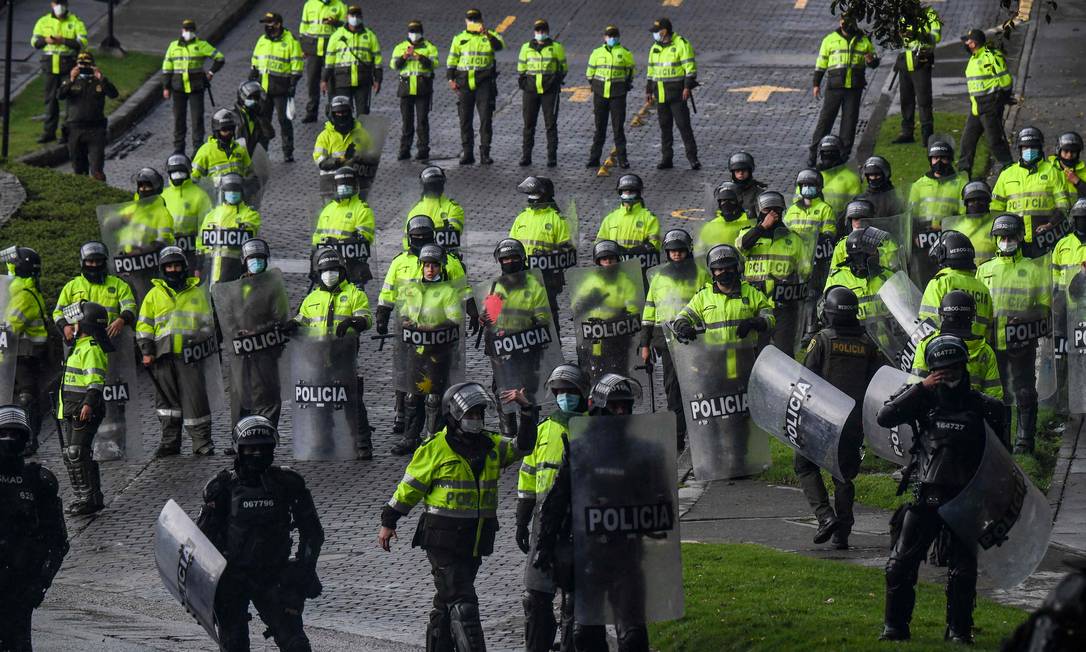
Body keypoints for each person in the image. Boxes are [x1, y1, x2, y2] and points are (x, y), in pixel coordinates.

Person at [379, 382, 537, 652]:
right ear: (453, 415)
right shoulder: (435, 449)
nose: (475, 420)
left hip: (475, 540)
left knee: (446, 601)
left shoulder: (491, 446)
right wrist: (389, 520)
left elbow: (523, 446)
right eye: (469, 415)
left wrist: (526, 410)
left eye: (478, 414)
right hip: (442, 540)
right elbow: (409, 488)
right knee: (464, 603)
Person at [877, 334, 1005, 643]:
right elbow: (885, 416)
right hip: (926, 496)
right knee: (899, 564)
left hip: (966, 499)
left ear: (964, 367)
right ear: (932, 370)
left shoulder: (983, 406)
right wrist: (922, 387)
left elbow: (1002, 457)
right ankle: (895, 627)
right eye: (942, 371)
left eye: (954, 369)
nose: (949, 377)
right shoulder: (922, 398)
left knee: (962, 571)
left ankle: (959, 630)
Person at [532, 374, 656, 652]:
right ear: (600, 408)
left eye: (625, 406)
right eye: (615, 407)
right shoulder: (580, 448)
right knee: (583, 635)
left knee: (633, 635)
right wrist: (545, 545)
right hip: (587, 556)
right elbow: (556, 500)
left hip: (626, 555)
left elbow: (659, 501)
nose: (621, 412)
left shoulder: (641, 450)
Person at [197, 415, 325, 652]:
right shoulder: (222, 488)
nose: (257, 454)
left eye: (263, 448)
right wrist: (207, 590)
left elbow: (313, 532)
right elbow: (201, 540)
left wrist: (303, 570)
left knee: (295, 644)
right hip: (233, 578)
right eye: (251, 449)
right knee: (234, 644)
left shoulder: (288, 483)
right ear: (239, 450)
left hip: (275, 576)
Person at [797, 286, 882, 549]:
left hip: (821, 417)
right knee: (843, 476)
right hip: (853, 421)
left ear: (829, 313)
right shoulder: (868, 343)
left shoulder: (822, 340)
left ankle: (825, 517)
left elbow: (806, 377)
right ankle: (842, 532)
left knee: (804, 466)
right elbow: (878, 379)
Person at [378, 216, 475, 444]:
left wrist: (472, 311)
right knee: (407, 383)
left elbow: (463, 291)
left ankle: (436, 434)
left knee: (436, 391)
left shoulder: (449, 262)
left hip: (441, 343)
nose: (430, 268)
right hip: (409, 335)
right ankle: (405, 426)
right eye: (416, 238)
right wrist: (383, 314)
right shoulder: (399, 262)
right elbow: (388, 292)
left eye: (425, 238)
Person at [517, 364, 589, 652]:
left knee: (575, 599)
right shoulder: (543, 431)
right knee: (536, 597)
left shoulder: (593, 427)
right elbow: (528, 475)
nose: (564, 397)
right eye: (559, 392)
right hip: (544, 524)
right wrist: (522, 519)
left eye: (570, 392)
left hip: (580, 524)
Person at [288, 248, 373, 459]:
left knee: (351, 400)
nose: (330, 273)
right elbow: (302, 320)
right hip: (317, 358)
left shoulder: (354, 294)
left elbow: (366, 319)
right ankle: (323, 441)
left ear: (341, 270)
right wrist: (291, 325)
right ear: (319, 273)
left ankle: (362, 443)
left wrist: (353, 322)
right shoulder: (312, 299)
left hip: (344, 357)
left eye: (334, 269)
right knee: (320, 401)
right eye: (326, 270)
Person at [977, 214, 1051, 453]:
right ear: (996, 238)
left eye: (1010, 237)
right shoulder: (984, 269)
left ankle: (1025, 443)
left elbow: (1045, 306)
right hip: (990, 342)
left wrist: (1027, 318)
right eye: (1002, 237)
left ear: (1020, 237)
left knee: (1025, 391)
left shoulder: (1032, 269)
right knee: (998, 395)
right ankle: (1001, 443)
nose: (1006, 241)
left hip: (1022, 341)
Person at [135, 246, 215, 457]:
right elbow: (144, 326)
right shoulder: (154, 295)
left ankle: (202, 442)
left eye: (177, 265)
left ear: (184, 267)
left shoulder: (197, 293)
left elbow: (208, 325)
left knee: (196, 400)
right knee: (167, 403)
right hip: (162, 357)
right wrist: (146, 350)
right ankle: (170, 442)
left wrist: (200, 344)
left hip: (190, 357)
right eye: (169, 266)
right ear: (162, 269)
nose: (173, 269)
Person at [0, 405, 68, 650]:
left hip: (20, 587)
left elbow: (58, 541)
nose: (8, 441)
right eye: (3, 435)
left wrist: (39, 584)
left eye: (15, 435)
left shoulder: (39, 482)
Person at [641, 229, 708, 451]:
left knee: (700, 387)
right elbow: (650, 311)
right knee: (673, 390)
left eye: (680, 251)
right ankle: (678, 436)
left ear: (687, 250)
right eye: (672, 252)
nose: (676, 255)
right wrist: (645, 343)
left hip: (697, 339)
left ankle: (701, 434)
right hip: (668, 342)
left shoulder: (700, 274)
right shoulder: (658, 278)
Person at [736, 191, 811, 352]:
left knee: (785, 352)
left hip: (783, 306)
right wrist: (762, 227)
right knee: (757, 352)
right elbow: (741, 246)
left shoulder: (794, 240)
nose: (772, 215)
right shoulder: (747, 234)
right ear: (758, 211)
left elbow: (805, 271)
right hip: (755, 305)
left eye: (776, 210)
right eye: (767, 211)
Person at [57, 301, 113, 515]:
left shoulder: (90, 348)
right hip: (73, 408)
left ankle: (87, 499)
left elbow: (96, 380)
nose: (73, 325)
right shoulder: (78, 346)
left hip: (84, 408)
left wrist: (89, 403)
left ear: (87, 324)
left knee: (77, 452)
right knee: (74, 454)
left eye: (77, 322)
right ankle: (88, 497)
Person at [672, 244, 775, 354]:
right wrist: (683, 326)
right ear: (712, 272)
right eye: (719, 269)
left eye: (728, 268)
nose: (724, 272)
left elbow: (770, 318)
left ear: (736, 268)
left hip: (746, 359)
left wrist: (755, 322)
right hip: (716, 361)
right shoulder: (703, 296)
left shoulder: (753, 292)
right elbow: (682, 317)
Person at [808, 14, 879, 166]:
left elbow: (873, 62)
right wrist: (816, 83)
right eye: (845, 21)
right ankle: (813, 153)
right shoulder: (830, 40)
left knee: (849, 122)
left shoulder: (863, 39)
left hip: (854, 88)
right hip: (835, 87)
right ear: (840, 22)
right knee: (825, 121)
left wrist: (871, 60)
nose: (847, 24)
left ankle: (843, 157)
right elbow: (821, 63)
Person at [991, 127, 1072, 257]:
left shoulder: (1053, 172)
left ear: (1040, 149)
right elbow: (995, 208)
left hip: (1045, 239)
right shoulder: (1007, 174)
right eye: (1025, 148)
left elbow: (1064, 205)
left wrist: (1050, 224)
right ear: (1020, 149)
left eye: (1033, 147)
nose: (1029, 151)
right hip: (1013, 239)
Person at [570, 240, 644, 381]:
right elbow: (575, 309)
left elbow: (633, 307)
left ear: (617, 260)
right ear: (598, 262)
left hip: (618, 337)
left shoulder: (625, 282)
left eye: (611, 259)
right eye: (604, 260)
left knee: (619, 371)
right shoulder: (591, 282)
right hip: (595, 337)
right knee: (596, 373)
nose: (608, 263)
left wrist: (623, 316)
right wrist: (587, 302)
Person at [509, 176, 574, 328]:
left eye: (535, 194)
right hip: (523, 273)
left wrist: (549, 256)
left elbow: (568, 249)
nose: (531, 198)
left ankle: (553, 347)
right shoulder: (521, 218)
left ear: (545, 195)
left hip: (547, 276)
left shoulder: (557, 219)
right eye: (529, 194)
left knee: (548, 314)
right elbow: (511, 244)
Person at [912, 291, 1002, 400]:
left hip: (935, 413)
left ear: (942, 315)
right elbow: (994, 396)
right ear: (972, 317)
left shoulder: (926, 345)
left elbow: (914, 387)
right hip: (973, 413)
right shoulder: (985, 351)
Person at [6, 247, 52, 457]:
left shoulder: (22, 296)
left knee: (27, 398)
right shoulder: (22, 287)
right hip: (26, 354)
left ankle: (28, 440)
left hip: (25, 355)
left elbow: (10, 328)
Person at [447, 8, 506, 165]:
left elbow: (499, 46)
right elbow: (452, 59)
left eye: (475, 19)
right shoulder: (459, 38)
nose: (473, 22)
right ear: (466, 21)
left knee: (486, 118)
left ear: (481, 21)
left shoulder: (489, 35)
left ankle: (485, 153)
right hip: (464, 83)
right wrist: (450, 79)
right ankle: (467, 153)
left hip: (484, 83)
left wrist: (487, 34)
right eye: (470, 20)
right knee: (465, 119)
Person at [161, 19, 226, 155]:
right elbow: (167, 68)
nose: (188, 33)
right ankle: (179, 150)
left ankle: (198, 150)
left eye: (190, 30)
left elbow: (219, 58)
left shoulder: (201, 45)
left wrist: (211, 72)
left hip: (196, 88)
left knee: (197, 120)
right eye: (186, 30)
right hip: (178, 88)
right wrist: (166, 87)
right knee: (179, 120)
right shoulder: (174, 46)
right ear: (182, 30)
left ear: (194, 32)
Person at [54, 242, 136, 348]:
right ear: (83, 262)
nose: (94, 265)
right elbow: (58, 312)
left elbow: (130, 306)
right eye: (90, 261)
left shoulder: (118, 285)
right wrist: (65, 326)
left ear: (104, 262)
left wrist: (121, 319)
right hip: (80, 344)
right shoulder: (72, 286)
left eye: (98, 261)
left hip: (112, 342)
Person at [957, 28, 1013, 176]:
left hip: (989, 106)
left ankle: (1011, 170)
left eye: (968, 41)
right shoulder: (974, 58)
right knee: (967, 143)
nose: (966, 44)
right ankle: (963, 176)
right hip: (976, 108)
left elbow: (1006, 81)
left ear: (973, 43)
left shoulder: (991, 56)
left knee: (995, 142)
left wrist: (1000, 99)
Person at [31, 0, 87, 144]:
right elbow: (35, 42)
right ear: (52, 4)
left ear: (67, 4)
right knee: (50, 101)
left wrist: (64, 40)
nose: (59, 6)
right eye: (56, 3)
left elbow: (82, 43)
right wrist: (46, 40)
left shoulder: (76, 22)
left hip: (67, 66)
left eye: (61, 2)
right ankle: (49, 133)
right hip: (50, 67)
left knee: (70, 101)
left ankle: (67, 134)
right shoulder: (43, 21)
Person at [918, 230, 992, 339]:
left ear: (943, 254)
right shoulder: (984, 289)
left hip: (948, 350)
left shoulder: (940, 283)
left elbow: (927, 326)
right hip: (978, 350)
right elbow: (989, 329)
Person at [646, 18, 699, 170]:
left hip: (677, 94)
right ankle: (666, 159)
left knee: (684, 126)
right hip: (661, 94)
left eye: (657, 31)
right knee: (665, 128)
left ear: (664, 31)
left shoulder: (681, 44)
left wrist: (687, 87)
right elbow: (651, 71)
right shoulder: (654, 48)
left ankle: (693, 158)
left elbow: (690, 68)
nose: (655, 35)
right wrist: (649, 90)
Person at [250, 12, 304, 162]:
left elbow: (297, 66)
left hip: (281, 89)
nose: (267, 26)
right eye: (266, 24)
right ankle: (262, 151)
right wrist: (253, 72)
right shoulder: (262, 40)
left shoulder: (290, 41)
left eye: (270, 23)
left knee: (283, 120)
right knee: (263, 121)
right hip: (264, 89)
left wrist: (293, 84)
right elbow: (255, 60)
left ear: (278, 24)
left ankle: (288, 152)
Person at [57, 51, 117, 181]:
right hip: (75, 130)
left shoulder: (99, 81)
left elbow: (113, 94)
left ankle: (101, 196)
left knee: (97, 170)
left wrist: (101, 78)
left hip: (96, 130)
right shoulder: (70, 81)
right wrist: (71, 79)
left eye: (87, 64)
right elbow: (60, 95)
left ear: (93, 65)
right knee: (79, 170)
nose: (84, 67)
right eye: (81, 64)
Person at [312, 166, 376, 287]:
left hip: (352, 267)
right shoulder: (328, 209)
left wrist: (342, 242)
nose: (343, 188)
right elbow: (316, 237)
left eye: (347, 185)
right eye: (341, 185)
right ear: (335, 186)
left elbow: (365, 238)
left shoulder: (362, 209)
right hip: (328, 266)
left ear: (355, 186)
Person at [517, 19, 567, 168]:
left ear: (548, 32)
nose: (541, 33)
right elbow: (521, 69)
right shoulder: (526, 48)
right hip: (531, 91)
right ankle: (526, 156)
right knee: (528, 124)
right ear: (534, 32)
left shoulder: (556, 48)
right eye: (538, 31)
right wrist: (525, 84)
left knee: (550, 125)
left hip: (549, 92)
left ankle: (552, 157)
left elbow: (563, 68)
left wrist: (554, 81)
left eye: (543, 31)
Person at [197, 173, 261, 285]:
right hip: (212, 268)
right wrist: (198, 265)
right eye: (229, 191)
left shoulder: (250, 214)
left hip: (237, 268)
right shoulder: (212, 214)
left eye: (235, 191)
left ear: (241, 193)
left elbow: (250, 233)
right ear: (223, 192)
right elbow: (201, 242)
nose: (232, 194)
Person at [825, 226, 895, 328]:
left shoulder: (887, 276)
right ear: (860, 257)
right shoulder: (837, 280)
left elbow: (906, 308)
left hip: (887, 341)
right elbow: (827, 316)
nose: (877, 254)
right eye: (873, 251)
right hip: (853, 340)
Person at [586, 25, 635, 169]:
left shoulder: (625, 53)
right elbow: (590, 73)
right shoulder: (596, 53)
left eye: (614, 36)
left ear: (618, 37)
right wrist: (596, 86)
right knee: (599, 128)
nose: (612, 38)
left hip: (617, 95)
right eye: (609, 36)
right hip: (600, 94)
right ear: (605, 37)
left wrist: (624, 86)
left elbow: (630, 72)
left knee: (618, 128)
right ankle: (594, 158)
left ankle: (622, 159)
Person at [892, 6, 941, 145]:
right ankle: (907, 133)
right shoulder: (904, 15)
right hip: (905, 63)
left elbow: (936, 36)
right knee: (906, 100)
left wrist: (918, 35)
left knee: (924, 100)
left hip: (921, 62)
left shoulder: (930, 14)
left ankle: (927, 135)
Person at [322, 5, 382, 117]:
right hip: (342, 80)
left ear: (361, 17)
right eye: (352, 15)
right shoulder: (337, 36)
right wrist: (324, 80)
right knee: (343, 112)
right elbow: (329, 61)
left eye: (357, 15)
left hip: (363, 80)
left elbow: (377, 60)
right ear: (347, 17)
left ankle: (360, 134)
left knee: (363, 114)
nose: (355, 18)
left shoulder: (369, 36)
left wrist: (378, 79)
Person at [313, 95, 376, 200]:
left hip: (355, 183)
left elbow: (371, 159)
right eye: (338, 113)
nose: (341, 115)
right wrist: (342, 160)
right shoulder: (324, 136)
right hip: (330, 184)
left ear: (350, 112)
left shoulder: (362, 134)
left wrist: (358, 159)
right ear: (332, 114)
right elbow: (320, 161)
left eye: (344, 112)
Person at [391, 20, 438, 161]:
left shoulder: (429, 47)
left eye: (416, 31)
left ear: (421, 33)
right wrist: (405, 56)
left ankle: (423, 150)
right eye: (412, 31)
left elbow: (434, 64)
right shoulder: (400, 47)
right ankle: (405, 150)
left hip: (422, 89)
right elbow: (394, 65)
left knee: (422, 121)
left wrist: (419, 57)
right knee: (407, 121)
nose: (414, 34)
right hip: (406, 89)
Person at [161, 153, 213, 269]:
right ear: (169, 174)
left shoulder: (200, 196)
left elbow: (205, 228)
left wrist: (201, 257)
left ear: (188, 172)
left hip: (191, 252)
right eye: (174, 172)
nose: (177, 176)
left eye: (181, 172)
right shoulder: (163, 195)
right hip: (167, 252)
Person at [298, 0, 346, 122]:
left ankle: (333, 111)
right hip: (313, 48)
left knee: (332, 81)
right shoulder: (309, 4)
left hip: (330, 48)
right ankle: (311, 112)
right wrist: (302, 47)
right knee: (312, 80)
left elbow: (346, 27)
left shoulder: (339, 5)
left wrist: (336, 22)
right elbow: (303, 28)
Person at [596, 174, 662, 263]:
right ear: (620, 192)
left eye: (631, 191)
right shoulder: (610, 218)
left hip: (639, 264)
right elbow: (600, 243)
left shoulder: (649, 218)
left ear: (638, 192)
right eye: (625, 191)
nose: (628, 194)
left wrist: (639, 250)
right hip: (615, 264)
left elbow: (655, 244)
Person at [403, 166, 465, 254]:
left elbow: (454, 234)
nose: (434, 188)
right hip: (437, 257)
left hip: (440, 255)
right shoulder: (453, 207)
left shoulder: (415, 210)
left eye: (435, 184)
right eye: (432, 185)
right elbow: (407, 242)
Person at [908, 140, 968, 229]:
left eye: (943, 158)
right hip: (923, 234)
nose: (939, 162)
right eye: (935, 158)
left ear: (950, 160)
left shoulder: (962, 184)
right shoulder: (918, 185)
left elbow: (965, 213)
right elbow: (911, 215)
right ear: (930, 160)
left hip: (951, 232)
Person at [830, 198, 901, 272]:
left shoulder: (886, 242)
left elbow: (895, 270)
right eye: (855, 219)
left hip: (880, 282)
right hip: (850, 283)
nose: (858, 223)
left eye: (863, 219)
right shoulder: (841, 245)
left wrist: (877, 258)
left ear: (871, 221)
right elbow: (834, 274)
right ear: (850, 222)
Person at [694, 181, 755, 262]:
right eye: (723, 201)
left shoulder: (750, 221)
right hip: (717, 268)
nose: (726, 204)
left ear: (738, 201)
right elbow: (699, 253)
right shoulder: (711, 225)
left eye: (731, 200)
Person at [191, 109, 253, 183]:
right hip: (215, 193)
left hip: (239, 192)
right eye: (225, 130)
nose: (229, 133)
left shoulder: (240, 149)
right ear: (216, 131)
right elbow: (194, 178)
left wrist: (252, 184)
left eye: (231, 129)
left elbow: (250, 173)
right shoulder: (205, 151)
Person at [815, 134, 863, 222]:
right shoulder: (812, 177)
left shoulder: (851, 179)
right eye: (825, 154)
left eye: (831, 154)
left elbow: (856, 210)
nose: (827, 159)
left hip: (839, 227)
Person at [954, 180, 998, 266]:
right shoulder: (957, 228)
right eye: (972, 201)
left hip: (993, 273)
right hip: (967, 274)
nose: (976, 203)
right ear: (965, 204)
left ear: (988, 202)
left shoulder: (997, 224)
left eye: (981, 200)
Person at [235, 80, 275, 156]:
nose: (255, 101)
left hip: (256, 158)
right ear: (243, 97)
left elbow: (270, 134)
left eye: (256, 98)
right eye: (251, 98)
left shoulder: (258, 114)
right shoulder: (234, 116)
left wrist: (261, 117)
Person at [728, 152, 768, 220]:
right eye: (737, 170)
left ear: (749, 171)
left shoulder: (759, 193)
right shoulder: (726, 191)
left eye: (744, 170)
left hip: (752, 229)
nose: (741, 173)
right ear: (733, 172)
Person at [1051, 131, 1086, 200]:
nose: (1069, 155)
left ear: (1078, 153)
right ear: (1059, 151)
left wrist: (1078, 182)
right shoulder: (1050, 169)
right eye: (1066, 151)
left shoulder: (1084, 171)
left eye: (1073, 152)